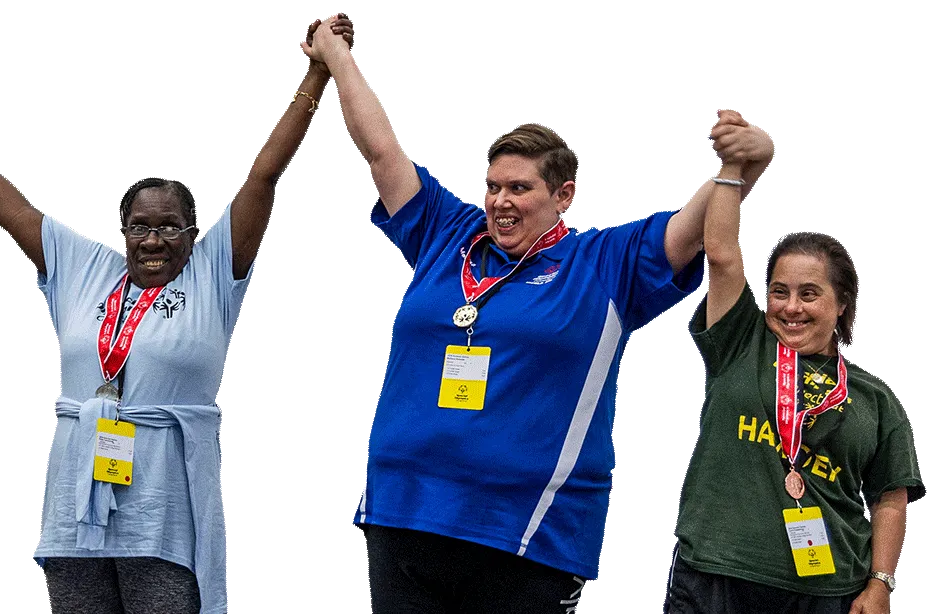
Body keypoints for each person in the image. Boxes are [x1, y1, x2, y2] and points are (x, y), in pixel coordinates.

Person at [304, 17, 776, 612]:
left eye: (520, 188)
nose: (500, 201)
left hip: (524, 531)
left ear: (564, 195)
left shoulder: (604, 263)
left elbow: (692, 233)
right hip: (406, 511)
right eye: (493, 186)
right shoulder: (448, 233)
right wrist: (338, 55)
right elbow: (379, 148)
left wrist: (742, 169)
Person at [0, 17, 353, 614]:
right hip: (78, 507)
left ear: (194, 233)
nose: (153, 241)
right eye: (139, 227)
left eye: (168, 227)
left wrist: (317, 72)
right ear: (121, 233)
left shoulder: (212, 271)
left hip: (163, 515)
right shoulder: (87, 267)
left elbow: (263, 173)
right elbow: (14, 210)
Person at [665, 110, 923, 613]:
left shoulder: (873, 397)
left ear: (841, 303)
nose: (790, 307)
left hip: (825, 592)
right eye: (779, 292)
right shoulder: (741, 342)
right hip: (715, 575)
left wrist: (880, 585)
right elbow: (720, 253)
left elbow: (891, 497)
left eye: (810, 294)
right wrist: (733, 168)